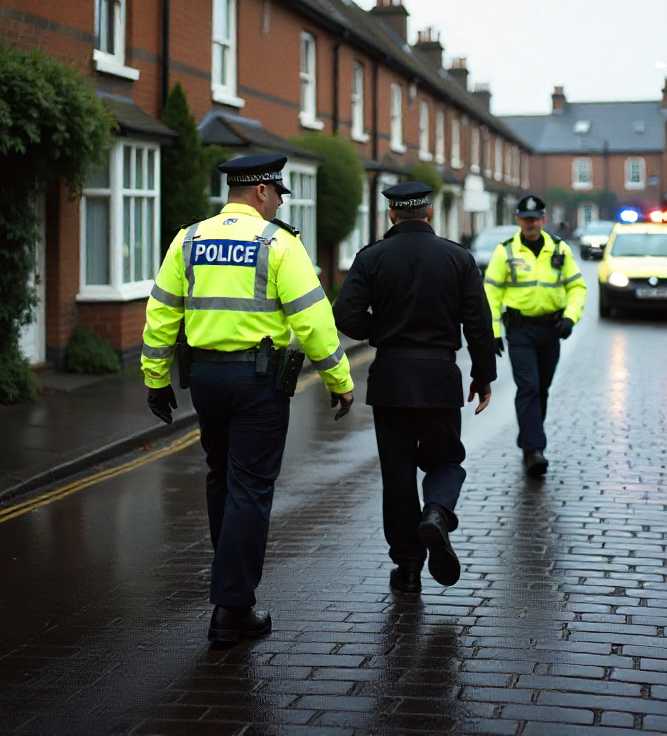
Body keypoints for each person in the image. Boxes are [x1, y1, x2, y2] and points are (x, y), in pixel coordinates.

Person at [141, 153, 354, 643]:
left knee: (222, 479)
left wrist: (156, 379)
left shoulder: (188, 239)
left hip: (206, 382)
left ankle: (229, 587)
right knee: (250, 489)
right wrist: (338, 378)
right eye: (277, 193)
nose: (278, 202)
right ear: (260, 191)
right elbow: (312, 318)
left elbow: (161, 313)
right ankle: (232, 609)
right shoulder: (277, 242)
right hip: (258, 383)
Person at [333, 181, 496, 594]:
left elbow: (346, 315)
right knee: (446, 460)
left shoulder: (371, 257)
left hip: (390, 378)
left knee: (398, 473)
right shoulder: (458, 258)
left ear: (392, 214)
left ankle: (407, 569)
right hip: (440, 376)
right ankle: (437, 514)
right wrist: (483, 375)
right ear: (428, 213)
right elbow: (479, 323)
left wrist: (383, 330)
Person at [484, 194, 586, 477]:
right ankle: (534, 450)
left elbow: (577, 288)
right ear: (518, 220)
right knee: (528, 386)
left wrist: (570, 318)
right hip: (520, 330)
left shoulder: (560, 250)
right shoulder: (505, 252)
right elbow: (490, 294)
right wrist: (493, 333)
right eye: (525, 219)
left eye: (535, 218)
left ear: (543, 219)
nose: (530, 223)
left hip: (551, 330)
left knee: (541, 388)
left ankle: (528, 436)